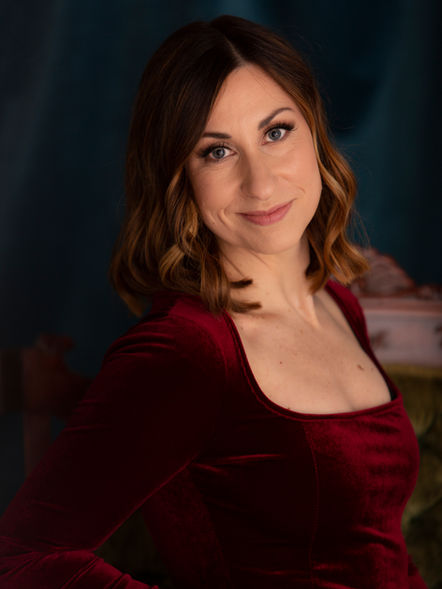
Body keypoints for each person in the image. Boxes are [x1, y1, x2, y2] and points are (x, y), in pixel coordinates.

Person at [0, 14, 427, 589]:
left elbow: (377, 546)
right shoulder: (186, 349)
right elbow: (22, 556)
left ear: (314, 132)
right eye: (217, 152)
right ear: (176, 177)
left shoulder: (334, 300)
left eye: (276, 132)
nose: (261, 183)